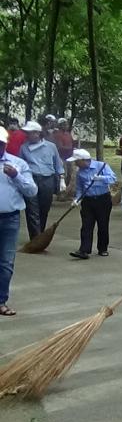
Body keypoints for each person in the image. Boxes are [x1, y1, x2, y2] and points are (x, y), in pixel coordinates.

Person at [0, 127, 38, 317]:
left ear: (5, 144)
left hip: (9, 218)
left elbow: (32, 191)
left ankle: (1, 300)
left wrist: (16, 176)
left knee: (6, 262)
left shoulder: (18, 164)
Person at [19, 120, 64, 238]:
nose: (28, 135)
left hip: (47, 179)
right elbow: (20, 165)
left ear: (38, 133)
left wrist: (62, 179)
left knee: (44, 208)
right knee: (32, 210)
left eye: (30, 133)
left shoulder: (51, 147)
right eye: (27, 133)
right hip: (31, 179)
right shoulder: (24, 148)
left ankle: (40, 234)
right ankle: (35, 238)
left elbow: (58, 164)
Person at [68, 149, 116, 260]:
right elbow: (80, 188)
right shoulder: (80, 172)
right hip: (88, 201)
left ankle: (103, 248)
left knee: (103, 224)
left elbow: (113, 178)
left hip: (102, 199)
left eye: (76, 161)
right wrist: (77, 199)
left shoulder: (102, 166)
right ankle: (84, 250)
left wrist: (101, 178)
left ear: (83, 160)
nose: (75, 163)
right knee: (86, 225)